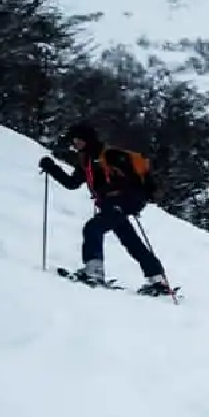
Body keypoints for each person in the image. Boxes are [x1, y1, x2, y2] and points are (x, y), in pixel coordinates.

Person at [38, 126, 171, 295]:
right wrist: (51, 168)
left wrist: (115, 192)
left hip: (124, 201)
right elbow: (71, 183)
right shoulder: (86, 162)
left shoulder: (111, 155)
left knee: (93, 228)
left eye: (77, 140)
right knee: (130, 241)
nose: (75, 144)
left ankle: (94, 272)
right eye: (74, 141)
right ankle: (157, 279)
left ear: (87, 139)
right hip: (112, 204)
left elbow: (132, 179)